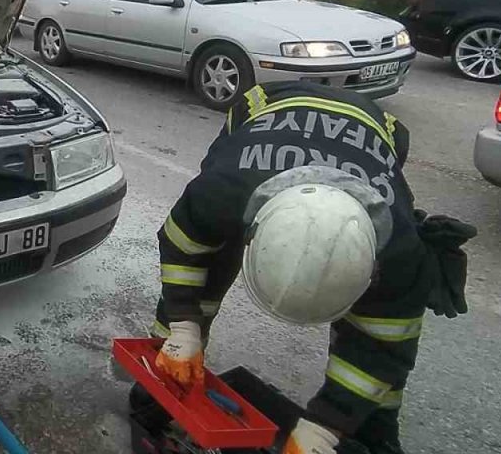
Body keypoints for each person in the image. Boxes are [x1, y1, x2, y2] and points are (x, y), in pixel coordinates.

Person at [150, 81, 474, 454]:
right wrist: (183, 327)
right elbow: (182, 249)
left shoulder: (401, 254)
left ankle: (374, 431)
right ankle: (165, 370)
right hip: (270, 106)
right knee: (207, 271)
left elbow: (382, 348)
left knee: (381, 335)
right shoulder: (220, 192)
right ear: (253, 235)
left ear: (372, 268)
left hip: (373, 126)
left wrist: (324, 428)